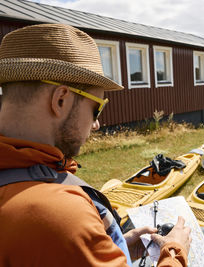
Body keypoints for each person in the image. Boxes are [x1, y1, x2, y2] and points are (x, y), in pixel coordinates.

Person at [0, 23, 191, 266]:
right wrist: (175, 252)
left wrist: (104, 249)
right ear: (60, 100)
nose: (97, 124)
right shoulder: (59, 215)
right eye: (96, 108)